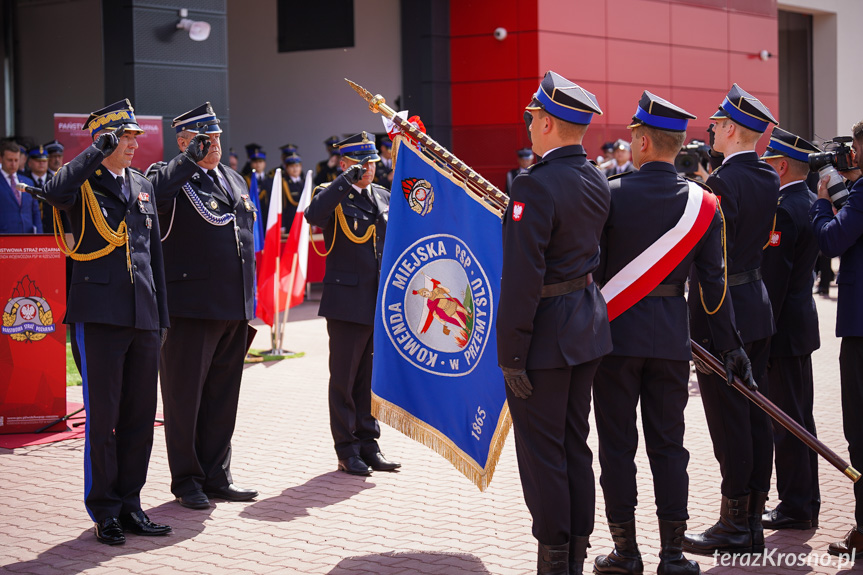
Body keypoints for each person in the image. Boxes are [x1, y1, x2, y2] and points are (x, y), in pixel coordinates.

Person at [593, 91, 751, 575]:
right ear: (679, 144)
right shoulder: (704, 203)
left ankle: (625, 551)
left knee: (617, 446)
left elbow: (594, 270)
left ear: (640, 141)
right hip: (669, 341)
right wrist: (729, 346)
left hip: (614, 338)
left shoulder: (611, 193)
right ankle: (672, 554)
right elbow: (713, 290)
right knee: (670, 446)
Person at [39, 99, 171, 545]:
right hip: (100, 317)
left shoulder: (142, 184)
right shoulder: (82, 183)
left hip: (143, 315)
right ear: (105, 139)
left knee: (139, 416)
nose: (134, 144)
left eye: (135, 136)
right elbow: (54, 191)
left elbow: (153, 257)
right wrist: (96, 151)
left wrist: (162, 318)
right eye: (126, 137)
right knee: (104, 419)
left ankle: (132, 504)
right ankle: (105, 510)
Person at [496, 70, 611, 575]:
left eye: (532, 116)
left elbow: (523, 278)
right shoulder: (596, 176)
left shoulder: (534, 184)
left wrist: (512, 353)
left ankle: (555, 560)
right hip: (585, 329)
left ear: (545, 122)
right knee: (573, 445)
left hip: (544, 337)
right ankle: (576, 552)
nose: (529, 123)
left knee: (543, 455)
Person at [147, 102, 259, 510]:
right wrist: (187, 161)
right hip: (190, 309)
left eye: (215, 138)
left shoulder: (232, 177)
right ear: (183, 142)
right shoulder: (168, 175)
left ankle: (216, 474)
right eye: (202, 139)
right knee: (184, 399)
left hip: (233, 307)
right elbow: (154, 196)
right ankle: (187, 480)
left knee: (221, 397)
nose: (212, 145)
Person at [684, 84, 780, 556]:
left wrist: (722, 337)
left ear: (737, 130)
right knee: (756, 417)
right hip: (756, 305)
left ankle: (735, 524)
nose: (711, 129)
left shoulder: (721, 184)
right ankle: (753, 517)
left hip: (724, 314)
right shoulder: (766, 176)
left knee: (730, 423)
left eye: (719, 124)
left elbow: (713, 267)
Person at [304, 131, 400, 477]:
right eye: (362, 163)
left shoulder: (383, 196)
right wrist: (345, 180)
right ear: (345, 164)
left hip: (377, 302)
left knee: (369, 380)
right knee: (344, 380)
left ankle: (368, 444)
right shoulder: (332, 195)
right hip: (346, 302)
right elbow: (313, 216)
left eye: (372, 162)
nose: (370, 169)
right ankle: (346, 449)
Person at [758, 127, 822, 531]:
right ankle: (804, 499)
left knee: (787, 421)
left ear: (782, 166)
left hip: (782, 330)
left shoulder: (782, 208)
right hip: (801, 325)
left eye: (769, 163)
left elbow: (774, 282)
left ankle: (796, 505)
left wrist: (762, 332)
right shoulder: (810, 201)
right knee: (801, 417)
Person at [810, 118, 863, 558]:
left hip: (862, 331)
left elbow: (831, 241)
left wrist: (824, 202)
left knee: (859, 432)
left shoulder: (862, 193)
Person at [0, 140, 42, 234]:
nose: (13, 164)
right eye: (10, 160)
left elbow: (35, 212)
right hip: (4, 238)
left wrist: (39, 235)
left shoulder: (28, 182)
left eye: (16, 160)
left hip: (26, 237)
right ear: (1, 159)